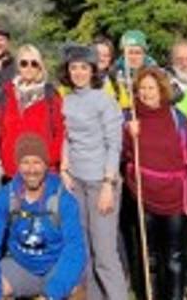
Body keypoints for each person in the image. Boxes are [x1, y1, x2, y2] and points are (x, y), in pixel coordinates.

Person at [124, 67, 187, 300]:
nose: (147, 93)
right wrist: (129, 136)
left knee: (174, 257)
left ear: (162, 90)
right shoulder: (130, 118)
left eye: (152, 88)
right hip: (143, 198)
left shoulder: (177, 119)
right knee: (148, 255)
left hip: (175, 200)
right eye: (142, 89)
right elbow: (124, 156)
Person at [0, 134, 87, 300]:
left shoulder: (64, 199)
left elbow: (75, 249)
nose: (31, 170)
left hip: (56, 265)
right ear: (18, 165)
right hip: (21, 265)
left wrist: (52, 295)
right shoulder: (5, 196)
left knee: (77, 290)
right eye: (25, 162)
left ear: (46, 165)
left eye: (37, 162)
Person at [58, 44, 128, 300]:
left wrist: (109, 184)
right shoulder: (67, 100)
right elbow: (67, 137)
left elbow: (114, 143)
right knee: (84, 250)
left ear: (92, 70)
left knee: (105, 254)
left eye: (83, 68)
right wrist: (65, 168)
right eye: (73, 67)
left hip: (101, 182)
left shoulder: (104, 100)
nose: (78, 72)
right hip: (76, 182)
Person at [0, 44, 64, 177]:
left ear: (40, 67)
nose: (28, 68)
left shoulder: (50, 95)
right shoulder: (7, 93)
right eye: (24, 63)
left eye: (34, 63)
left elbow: (61, 132)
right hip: (11, 170)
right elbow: (0, 131)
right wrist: (1, 161)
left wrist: (48, 159)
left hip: (42, 171)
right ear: (18, 66)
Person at [110, 31, 160, 112]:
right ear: (123, 54)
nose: (133, 57)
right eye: (130, 53)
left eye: (138, 53)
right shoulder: (114, 73)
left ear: (144, 54)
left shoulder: (156, 73)